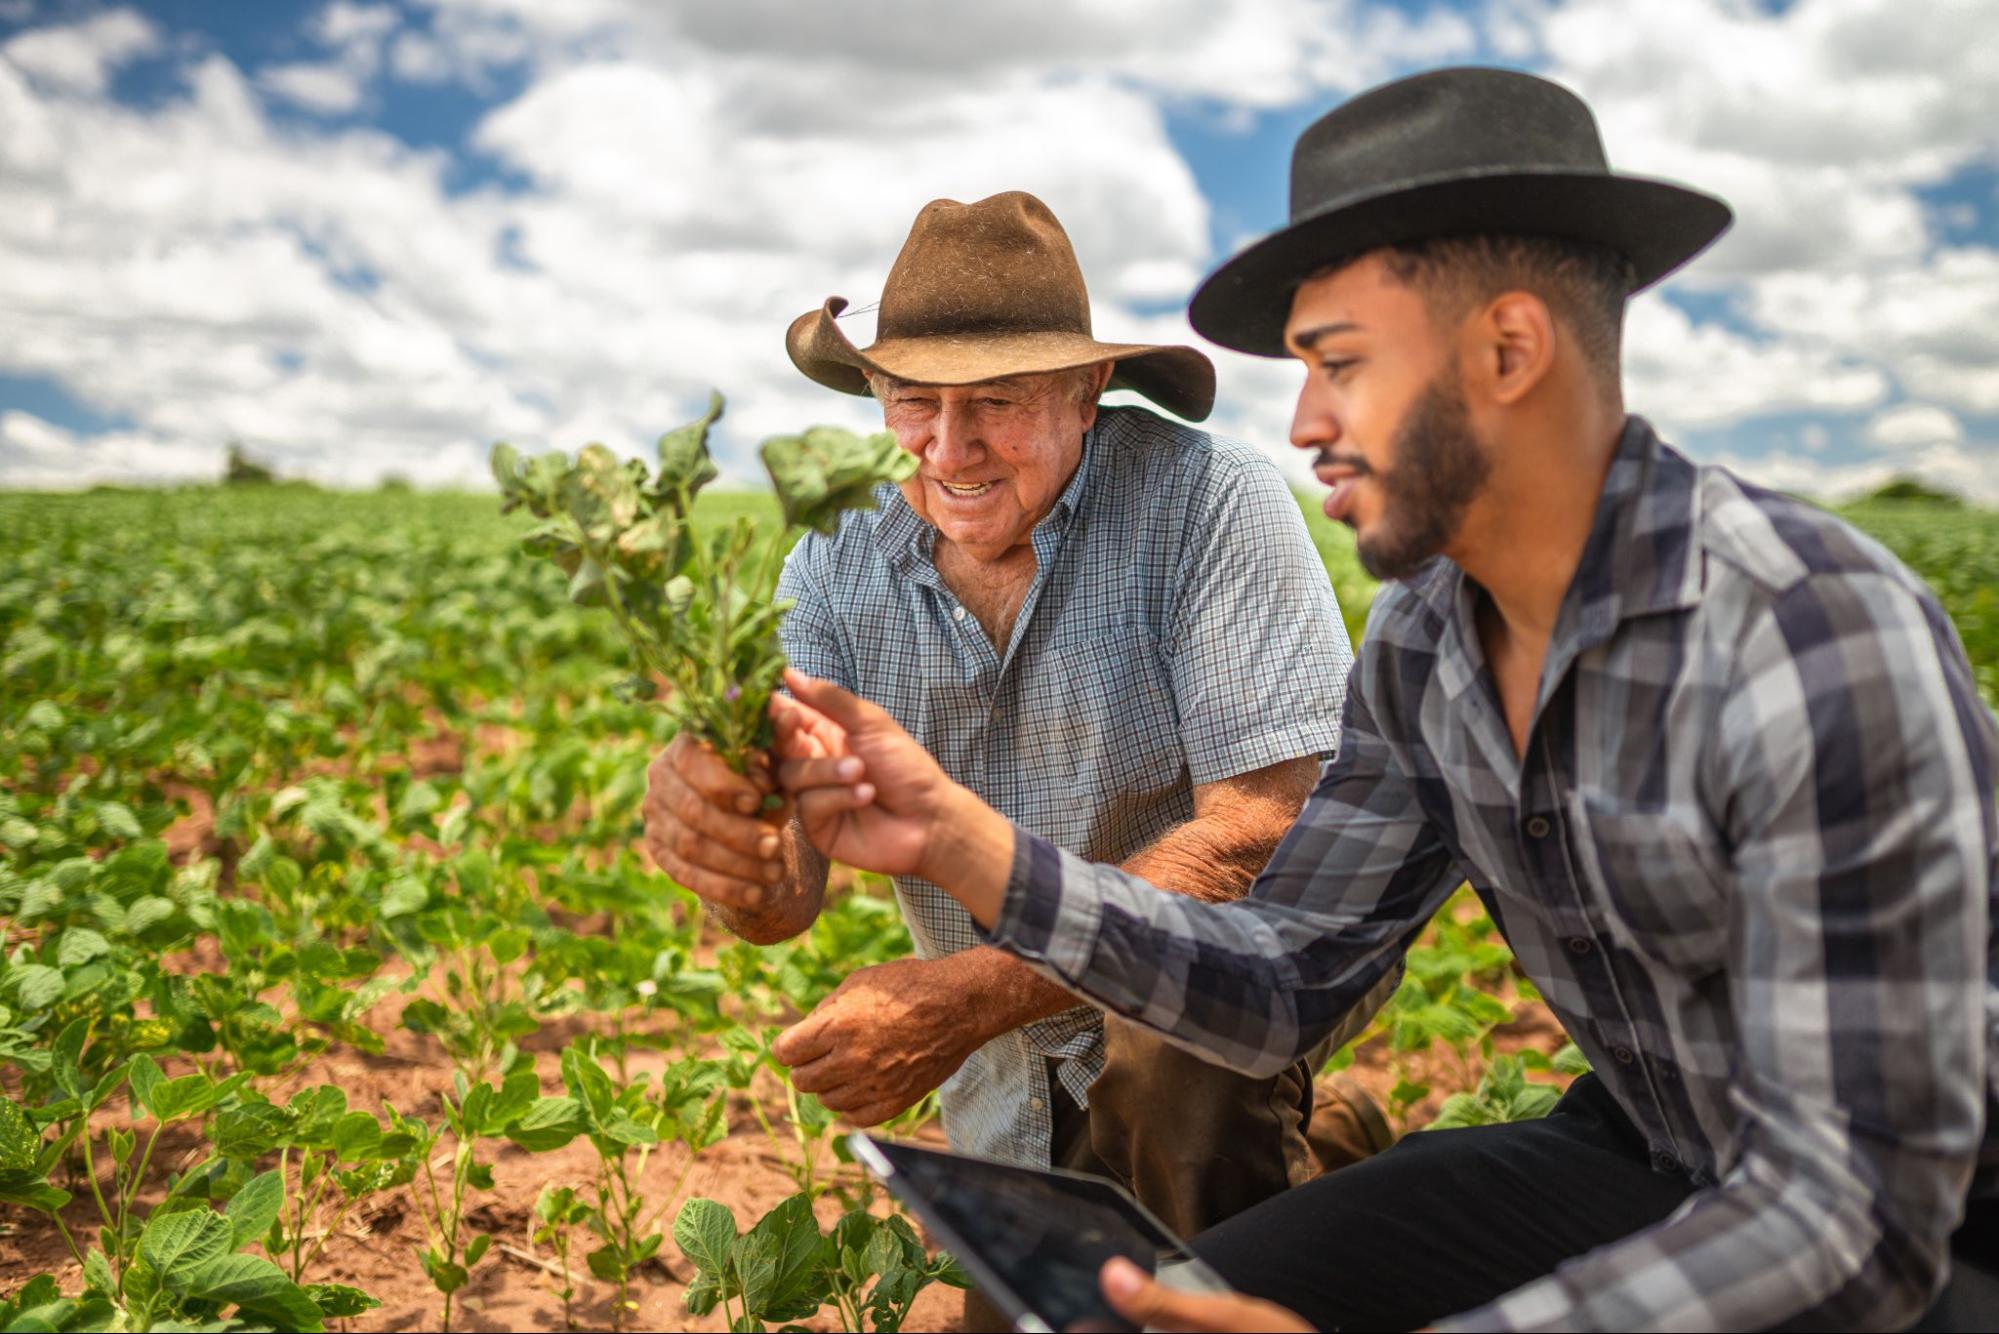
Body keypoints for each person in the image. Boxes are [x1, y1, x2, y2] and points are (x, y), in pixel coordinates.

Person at [765, 68, 1999, 1332]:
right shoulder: (1428, 638)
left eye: (1338, 365)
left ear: (1509, 351)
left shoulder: (1806, 630)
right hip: (1658, 1154)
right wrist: (963, 843)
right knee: (1152, 1311)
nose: (1303, 424)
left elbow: (1860, 1219)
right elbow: (1287, 970)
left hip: (1934, 1225)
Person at [641, 190, 1393, 1328]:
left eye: (994, 401)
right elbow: (784, 888)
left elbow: (1261, 829)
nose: (950, 447)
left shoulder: (1205, 501)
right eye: (912, 401)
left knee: (1165, 1065)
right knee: (1058, 1302)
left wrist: (977, 990)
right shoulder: (835, 561)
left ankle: (1278, 1191)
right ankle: (1331, 1161)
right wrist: (733, 848)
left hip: (1219, 996)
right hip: (1001, 1063)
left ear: (1088, 390)